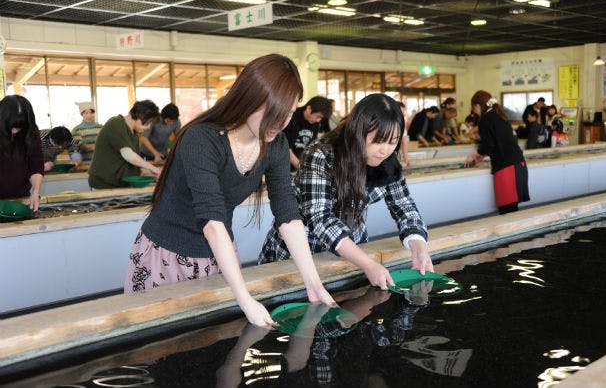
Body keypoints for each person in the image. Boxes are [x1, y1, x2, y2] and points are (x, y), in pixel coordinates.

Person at [123, 54, 336, 327]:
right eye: (272, 114)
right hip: (167, 255)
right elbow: (212, 222)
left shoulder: (276, 145)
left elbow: (288, 215)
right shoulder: (201, 139)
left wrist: (314, 282)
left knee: (212, 340)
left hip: (218, 256)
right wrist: (245, 299)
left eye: (288, 114)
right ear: (247, 99)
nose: (279, 124)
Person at [259, 93, 433, 290]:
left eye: (392, 142)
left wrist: (419, 248)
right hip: (301, 253)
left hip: (350, 251)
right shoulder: (321, 155)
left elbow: (404, 205)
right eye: (378, 141)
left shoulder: (387, 162)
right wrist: (367, 263)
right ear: (359, 132)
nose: (385, 150)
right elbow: (321, 218)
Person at [465, 90, 530, 214]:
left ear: (477, 106)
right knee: (512, 210)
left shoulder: (485, 119)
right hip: (518, 165)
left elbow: (489, 144)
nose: (474, 112)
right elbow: (496, 142)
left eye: (474, 108)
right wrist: (481, 154)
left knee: (507, 211)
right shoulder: (499, 115)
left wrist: (477, 154)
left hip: (506, 168)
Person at [88, 100, 162, 188]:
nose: (148, 127)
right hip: (104, 183)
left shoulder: (134, 133)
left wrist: (147, 173)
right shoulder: (116, 123)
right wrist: (152, 168)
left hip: (120, 183)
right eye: (147, 123)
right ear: (139, 116)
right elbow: (128, 154)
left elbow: (132, 161)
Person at [0, 95, 44, 210]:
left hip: (20, 197)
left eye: (19, 127)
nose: (15, 131)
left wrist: (35, 192)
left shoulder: (31, 133)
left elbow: (35, 165)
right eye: (11, 126)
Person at [283, 96, 333, 170]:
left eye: (321, 118)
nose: (318, 120)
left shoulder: (316, 124)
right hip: (285, 165)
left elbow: (310, 146)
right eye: (318, 116)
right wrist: (301, 168)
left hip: (300, 164)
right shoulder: (292, 118)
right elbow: (286, 148)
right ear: (309, 109)